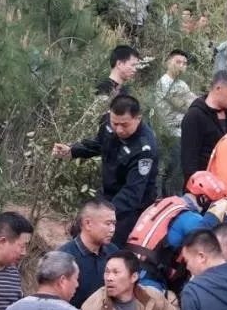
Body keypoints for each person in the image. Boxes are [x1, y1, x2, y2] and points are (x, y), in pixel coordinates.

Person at [52, 94, 158, 247]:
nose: (119, 129)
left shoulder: (144, 148)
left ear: (138, 118)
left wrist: (106, 215)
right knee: (81, 230)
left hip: (130, 207)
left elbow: (132, 193)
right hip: (108, 193)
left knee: (107, 244)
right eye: (115, 123)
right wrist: (72, 150)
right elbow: (98, 145)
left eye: (125, 125)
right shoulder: (108, 124)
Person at [123, 170, 227, 295]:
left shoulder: (162, 204)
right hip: (149, 279)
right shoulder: (192, 218)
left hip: (128, 267)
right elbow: (209, 243)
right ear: (204, 199)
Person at [179, 71, 227, 185]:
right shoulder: (194, 116)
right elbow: (189, 162)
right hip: (202, 188)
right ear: (218, 88)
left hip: (224, 183)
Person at [59, 199, 118, 309]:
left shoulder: (113, 252)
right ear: (88, 223)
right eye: (108, 223)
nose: (112, 229)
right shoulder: (64, 257)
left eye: (114, 224)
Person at [153, 50, 196, 141]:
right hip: (170, 134)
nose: (181, 66)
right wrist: (189, 101)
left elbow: (194, 102)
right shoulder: (164, 82)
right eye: (178, 62)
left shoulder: (182, 84)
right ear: (168, 62)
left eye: (184, 64)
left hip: (183, 131)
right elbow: (183, 105)